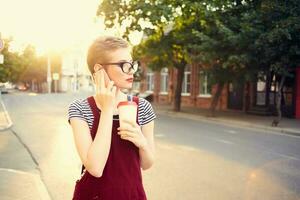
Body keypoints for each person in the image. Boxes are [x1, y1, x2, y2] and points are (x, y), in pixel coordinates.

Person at [67, 36, 156, 200]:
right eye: (123, 65)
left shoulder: (142, 107)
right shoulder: (80, 109)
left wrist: (142, 143)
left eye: (132, 64)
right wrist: (107, 109)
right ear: (99, 69)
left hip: (132, 195)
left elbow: (147, 164)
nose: (131, 71)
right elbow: (95, 167)